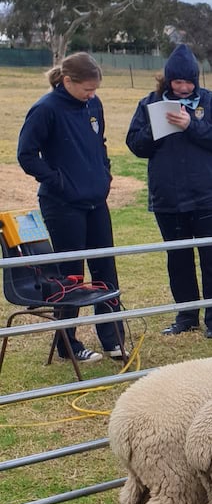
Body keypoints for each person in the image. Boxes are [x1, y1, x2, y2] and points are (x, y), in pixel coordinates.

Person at [16, 52, 126, 364]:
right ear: (67, 81)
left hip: (95, 200)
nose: (91, 95)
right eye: (86, 89)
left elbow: (99, 142)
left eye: (94, 90)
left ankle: (113, 338)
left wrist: (104, 173)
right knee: (71, 276)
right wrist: (58, 181)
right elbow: (26, 154)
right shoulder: (45, 109)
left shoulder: (94, 105)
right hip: (62, 205)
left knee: (105, 268)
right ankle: (68, 344)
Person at [126, 44, 212, 339]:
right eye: (178, 82)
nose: (184, 88)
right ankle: (186, 316)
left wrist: (193, 125)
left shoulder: (211, 102)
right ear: (168, 80)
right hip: (168, 199)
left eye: (189, 82)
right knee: (179, 260)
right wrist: (156, 128)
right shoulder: (148, 104)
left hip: (209, 198)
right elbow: (135, 144)